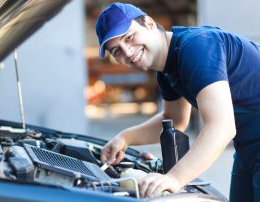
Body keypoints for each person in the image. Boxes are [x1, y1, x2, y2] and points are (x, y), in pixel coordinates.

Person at [95, 2, 260, 201]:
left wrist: (174, 178)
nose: (127, 53)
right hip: (247, 149)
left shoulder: (196, 48)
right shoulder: (167, 72)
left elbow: (222, 127)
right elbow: (174, 119)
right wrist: (124, 138)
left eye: (129, 37)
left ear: (148, 23)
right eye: (116, 51)